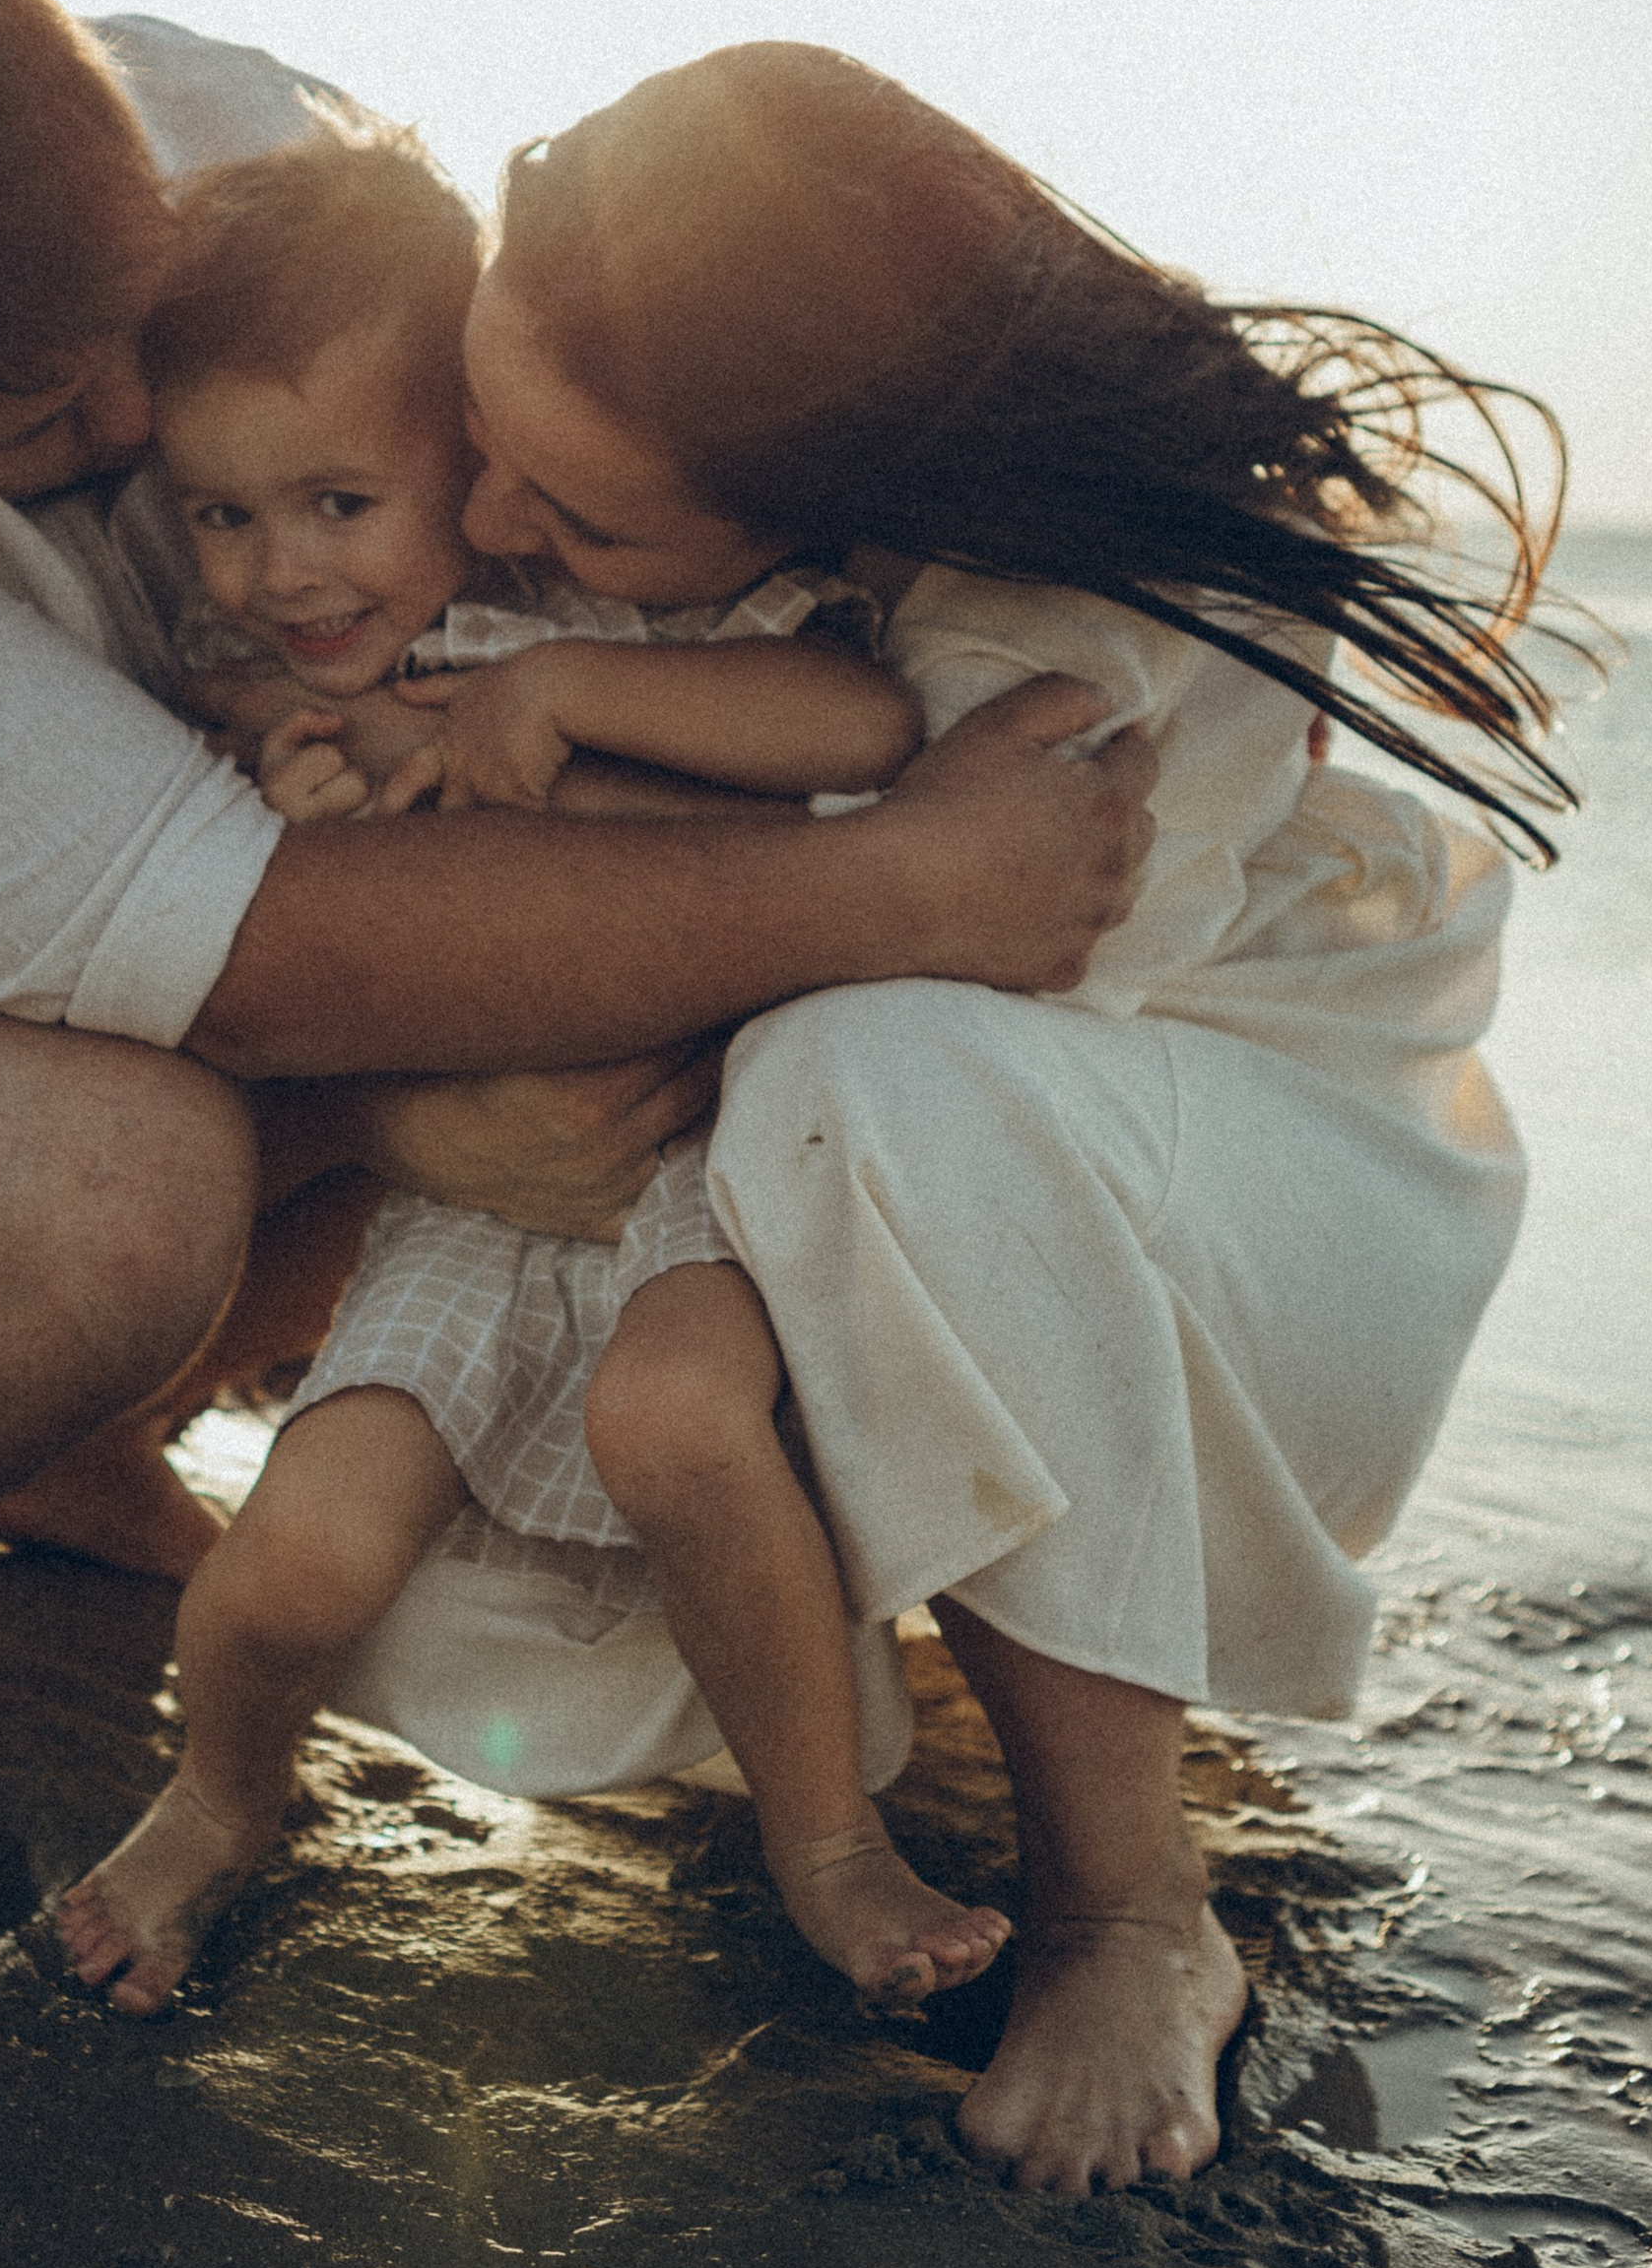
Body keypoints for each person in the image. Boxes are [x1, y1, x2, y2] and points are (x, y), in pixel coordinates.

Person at [0, 0, 1156, 1837]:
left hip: (74, 933)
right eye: (44, 426)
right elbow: (268, 963)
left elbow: (633, 383)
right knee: (116, 1195)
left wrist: (1143, 578)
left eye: (135, 336)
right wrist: (899, 888)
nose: (132, 424)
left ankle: (58, 1435)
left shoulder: (218, 135)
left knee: (562, 1017)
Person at [341, 38, 1557, 2196]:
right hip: (1022, 1189)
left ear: (836, 474)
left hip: (1259, 1266)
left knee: (852, 1068)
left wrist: (527, 770)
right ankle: (949, 1699)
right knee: (459, 1633)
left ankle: (1128, 1911)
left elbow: (946, 955)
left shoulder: (1081, 645)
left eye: (577, 513)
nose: (494, 528)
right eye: (477, 441)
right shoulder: (751, 571)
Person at [56, 120, 1011, 2020]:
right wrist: (303, 779)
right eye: (224, 515)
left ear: (465, 457)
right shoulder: (354, 675)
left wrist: (564, 699)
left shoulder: (652, 617)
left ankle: (826, 1845)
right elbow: (295, 908)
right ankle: (215, 1797)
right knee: (291, 1563)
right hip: (471, 1208)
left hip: (694, 1175)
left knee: (680, 1431)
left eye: (343, 501)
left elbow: (866, 719)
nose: (282, 569)